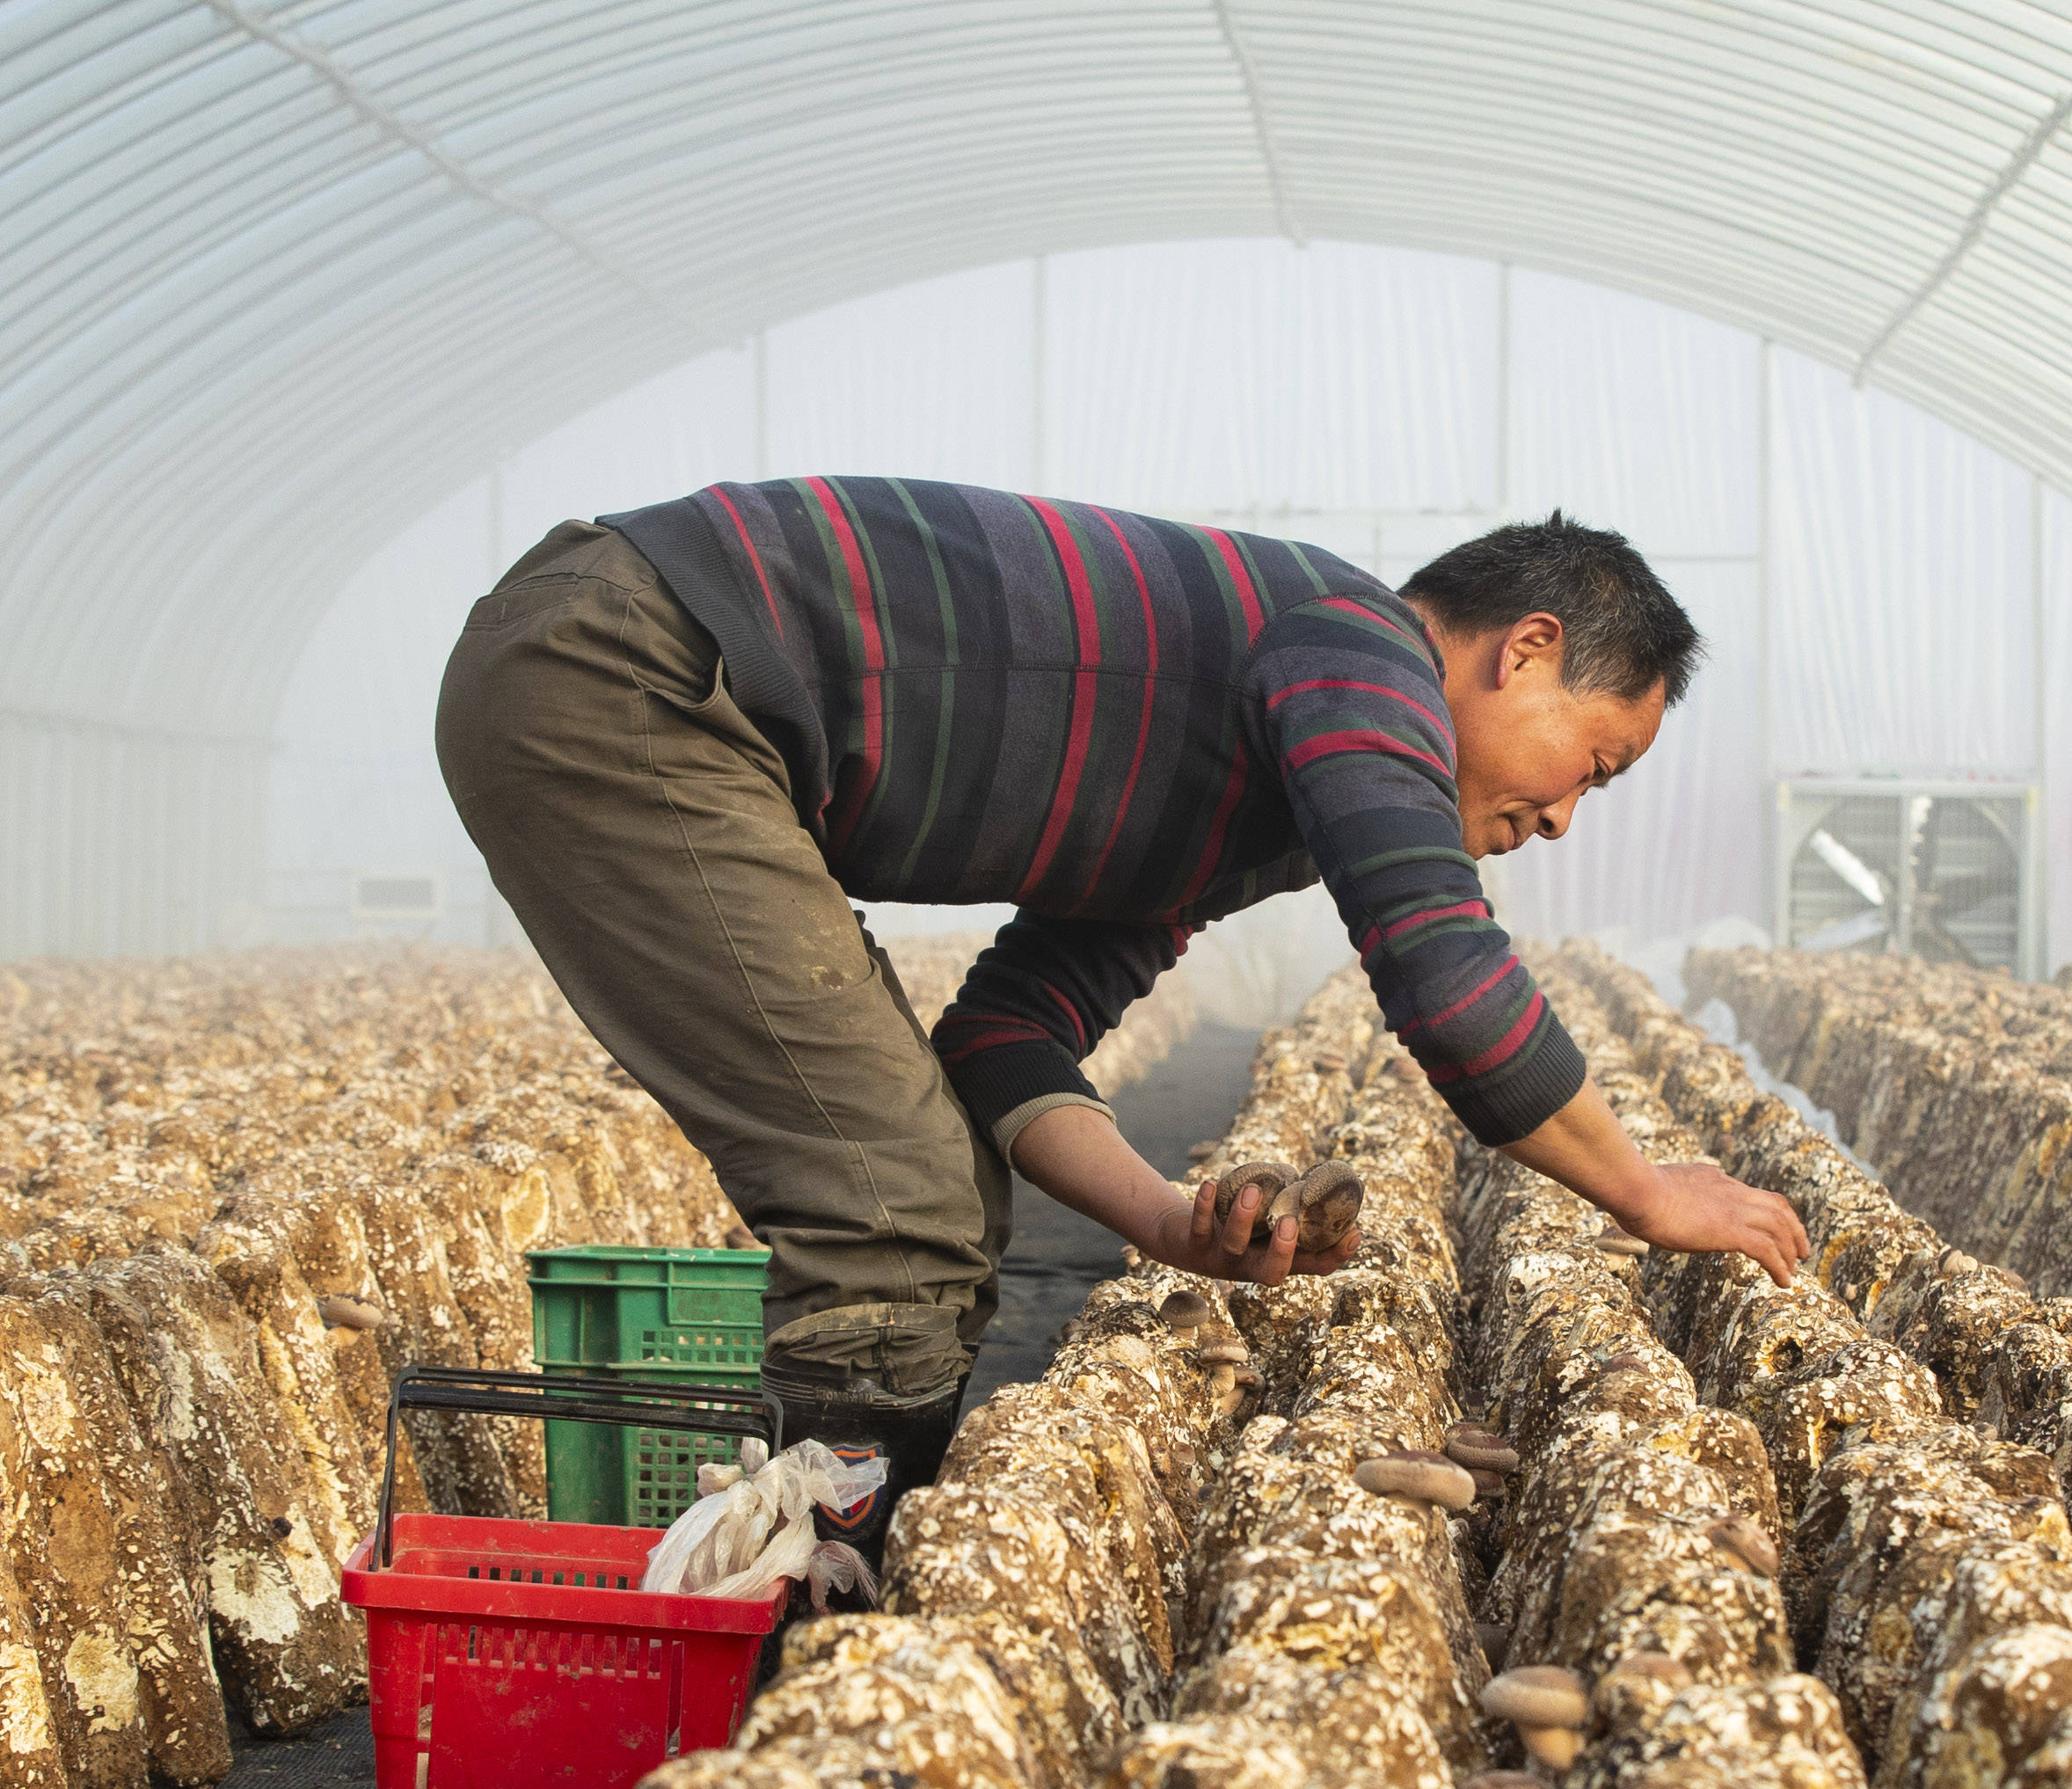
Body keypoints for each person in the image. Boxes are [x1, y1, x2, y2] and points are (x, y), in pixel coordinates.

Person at [437, 479, 1807, 1556]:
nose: (1565, 818)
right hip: (636, 665)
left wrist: (1163, 1217)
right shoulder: (1358, 644)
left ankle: (802, 1649)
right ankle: (805, 1681)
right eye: (1595, 765)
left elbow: (1003, 1040)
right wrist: (1641, 1188)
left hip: (650, 671)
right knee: (895, 1205)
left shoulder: (1240, 803)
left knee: (928, 1178)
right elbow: (1442, 972)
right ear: (1527, 649)